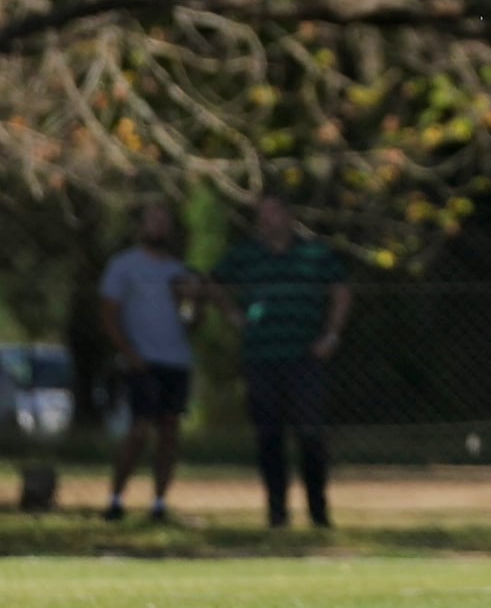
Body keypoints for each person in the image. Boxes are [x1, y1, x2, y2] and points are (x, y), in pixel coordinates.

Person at [211, 193, 352, 528]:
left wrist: (331, 335)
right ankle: (277, 512)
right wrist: (232, 315)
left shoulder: (315, 254)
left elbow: (342, 291)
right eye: (261, 214)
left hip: (304, 358)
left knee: (311, 434)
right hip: (261, 357)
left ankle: (318, 511)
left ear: (288, 216)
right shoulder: (246, 255)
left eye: (273, 213)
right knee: (269, 436)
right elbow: (212, 283)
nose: (266, 220)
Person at [98, 203, 203, 522]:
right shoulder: (124, 266)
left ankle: (159, 502)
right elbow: (109, 313)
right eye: (152, 219)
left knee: (169, 432)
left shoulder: (179, 271)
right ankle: (116, 498)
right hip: (142, 361)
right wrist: (129, 352)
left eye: (164, 221)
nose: (158, 226)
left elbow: (192, 324)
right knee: (139, 430)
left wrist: (193, 303)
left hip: (176, 361)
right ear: (141, 226)